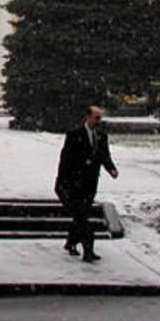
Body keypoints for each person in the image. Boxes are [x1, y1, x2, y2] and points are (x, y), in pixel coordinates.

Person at [54, 105, 119, 263]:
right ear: (88, 117)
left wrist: (112, 169)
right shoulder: (74, 135)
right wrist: (63, 182)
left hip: (89, 184)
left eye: (100, 118)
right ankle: (88, 251)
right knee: (83, 218)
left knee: (80, 216)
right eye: (96, 118)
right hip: (73, 184)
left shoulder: (101, 137)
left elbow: (105, 156)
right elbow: (65, 160)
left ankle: (70, 243)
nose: (98, 122)